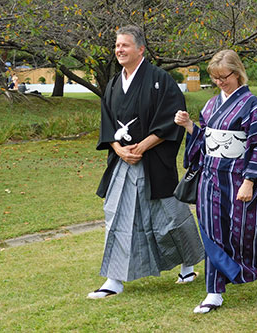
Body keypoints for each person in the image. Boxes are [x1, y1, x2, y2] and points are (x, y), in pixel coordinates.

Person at [88, 25, 204, 299]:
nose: (119, 50)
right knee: (117, 213)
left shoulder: (160, 79)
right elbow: (107, 123)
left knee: (172, 217)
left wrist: (141, 146)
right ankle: (114, 279)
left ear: (141, 49)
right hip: (123, 163)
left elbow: (171, 119)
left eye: (124, 45)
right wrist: (119, 149)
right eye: (117, 46)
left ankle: (188, 266)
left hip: (153, 161)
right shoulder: (115, 84)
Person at [174, 49, 257, 313]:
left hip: (240, 176)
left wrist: (251, 180)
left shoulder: (252, 105)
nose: (220, 82)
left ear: (238, 73)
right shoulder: (210, 105)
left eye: (224, 76)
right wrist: (189, 128)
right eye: (216, 77)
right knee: (212, 231)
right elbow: (205, 139)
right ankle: (213, 292)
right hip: (210, 175)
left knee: (242, 232)